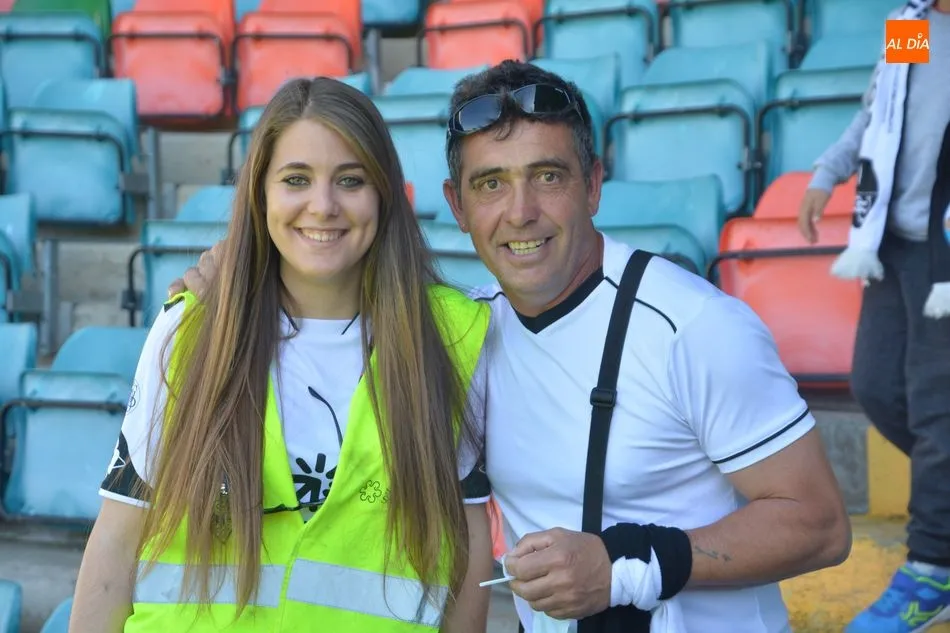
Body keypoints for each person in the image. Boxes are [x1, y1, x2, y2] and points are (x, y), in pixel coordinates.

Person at [175, 62, 853, 633]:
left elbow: (820, 525)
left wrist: (625, 568)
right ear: (457, 205)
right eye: (491, 183)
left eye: (547, 176)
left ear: (593, 185)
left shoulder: (695, 326)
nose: (520, 210)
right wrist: (229, 283)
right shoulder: (462, 335)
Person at [69, 77, 494, 633]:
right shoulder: (190, 328)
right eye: (296, 179)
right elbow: (118, 536)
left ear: (386, 194)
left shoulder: (451, 336)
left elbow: (467, 546)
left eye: (351, 180)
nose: (323, 206)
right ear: (260, 194)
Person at [798, 0, 950, 630]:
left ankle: (932, 568)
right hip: (895, 242)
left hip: (947, 253)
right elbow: (877, 112)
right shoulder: (911, 23)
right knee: (878, 386)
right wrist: (827, 172)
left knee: (938, 408)